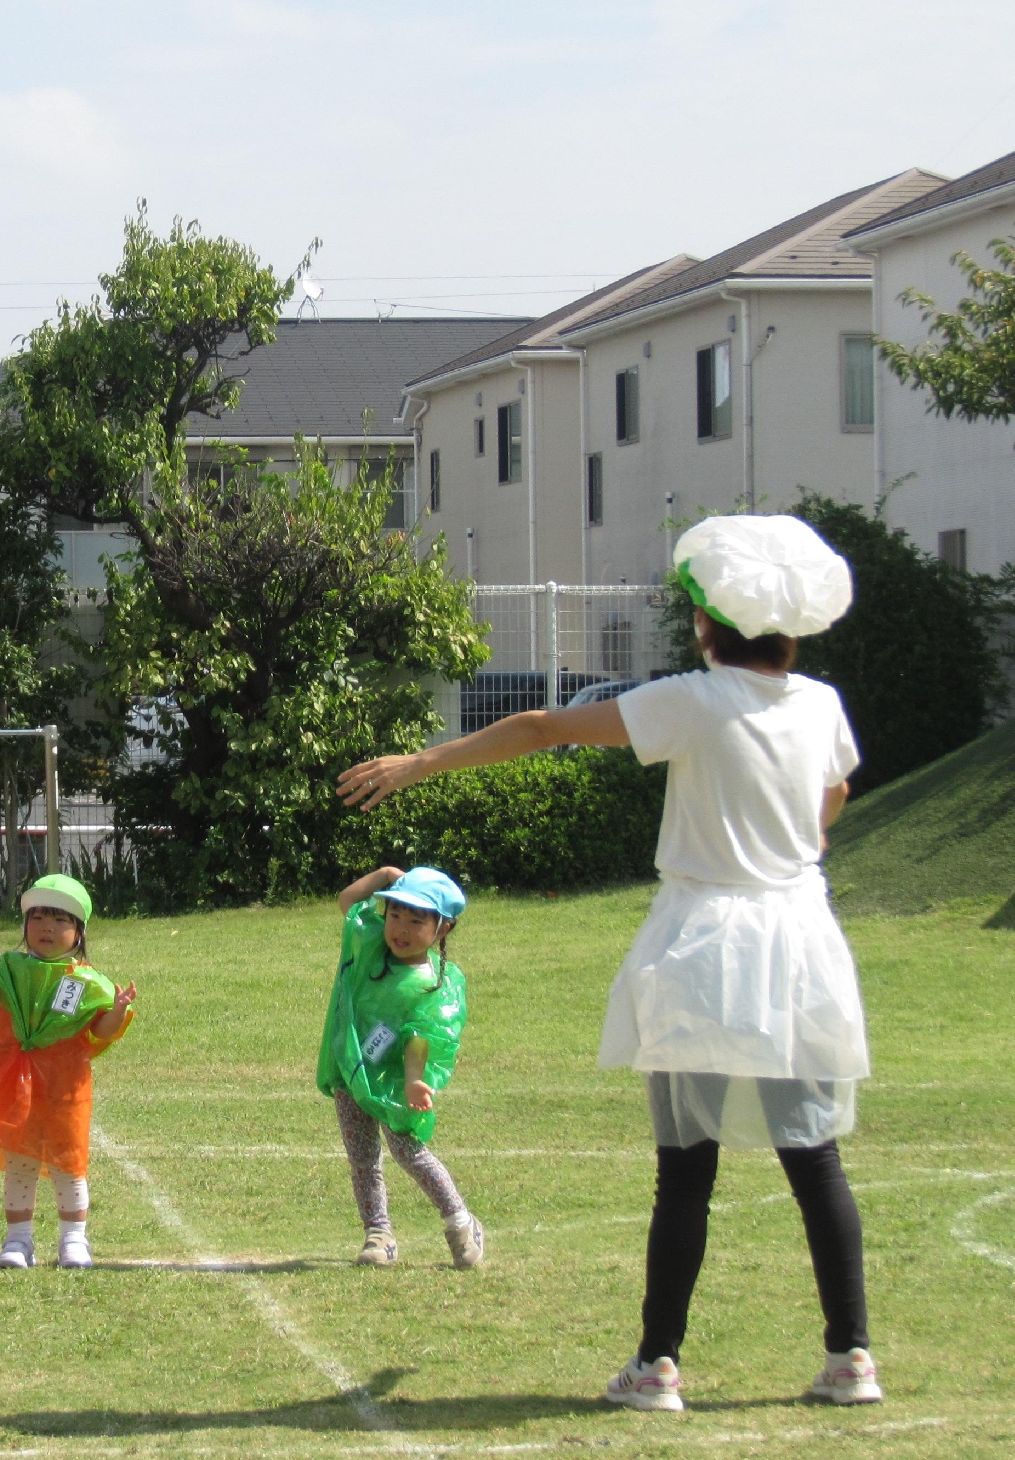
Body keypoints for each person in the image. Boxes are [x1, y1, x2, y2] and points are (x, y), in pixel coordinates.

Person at [337, 513, 881, 1412]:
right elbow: (835, 792)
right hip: (800, 939)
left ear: (709, 624)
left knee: (687, 1167)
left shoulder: (695, 699)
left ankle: (658, 1366)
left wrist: (422, 761)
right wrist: (785, 852)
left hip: (706, 940)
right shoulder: (819, 704)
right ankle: (850, 1356)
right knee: (814, 1158)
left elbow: (544, 725)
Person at [0, 875, 137, 1269]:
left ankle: (74, 1241)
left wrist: (117, 1010)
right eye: (38, 918)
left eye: (60, 920)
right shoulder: (8, 969)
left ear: (79, 931)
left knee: (70, 1164)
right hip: (15, 1090)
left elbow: (99, 1030)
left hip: (65, 1092)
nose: (47, 928)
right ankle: (18, 1241)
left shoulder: (86, 981)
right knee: (20, 1164)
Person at [319, 865, 482, 1270]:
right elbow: (348, 903)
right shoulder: (373, 945)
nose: (400, 929)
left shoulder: (433, 985)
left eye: (416, 920)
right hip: (352, 1069)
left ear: (442, 929)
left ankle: (461, 1223)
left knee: (409, 1152)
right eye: (395, 915)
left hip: (394, 1082)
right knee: (362, 1157)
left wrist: (413, 1082)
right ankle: (379, 1235)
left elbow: (420, 1037)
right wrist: (386, 874)